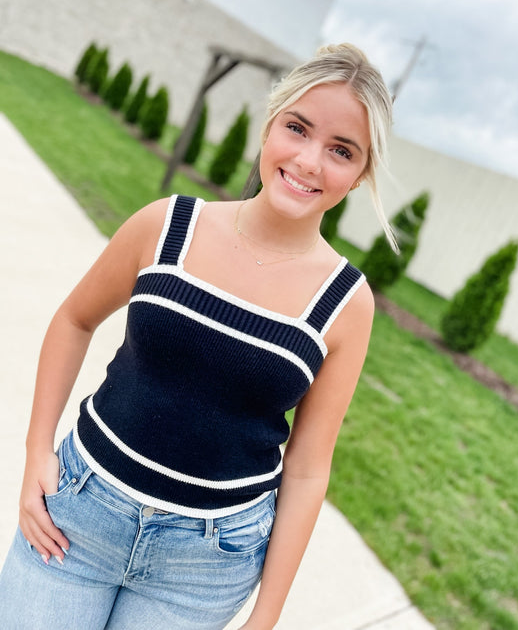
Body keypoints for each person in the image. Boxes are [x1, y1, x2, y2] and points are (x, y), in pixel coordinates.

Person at [0, 43, 396, 629]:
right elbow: (74, 319)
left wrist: (267, 615)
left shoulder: (346, 302)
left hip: (206, 567)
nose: (311, 161)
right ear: (270, 125)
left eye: (341, 150)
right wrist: (37, 448)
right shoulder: (167, 225)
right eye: (298, 128)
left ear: (360, 173)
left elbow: (310, 466)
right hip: (79, 519)